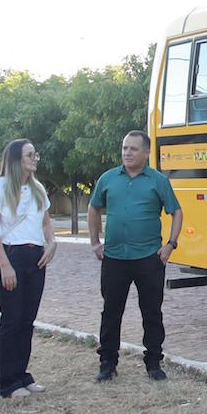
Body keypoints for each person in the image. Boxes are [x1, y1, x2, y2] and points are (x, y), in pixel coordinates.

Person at [88, 130, 182, 382]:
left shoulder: (158, 181)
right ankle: (107, 363)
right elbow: (94, 208)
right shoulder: (108, 178)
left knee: (152, 313)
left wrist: (171, 244)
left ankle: (154, 363)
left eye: (133, 149)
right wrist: (95, 242)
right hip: (114, 258)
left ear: (147, 153)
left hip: (149, 258)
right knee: (111, 312)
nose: (127, 153)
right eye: (124, 148)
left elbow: (176, 211)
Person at [0, 139, 57, 399]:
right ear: (16, 159)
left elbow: (45, 222)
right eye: (29, 155)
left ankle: (22, 375)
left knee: (27, 320)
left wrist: (51, 242)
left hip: (35, 258)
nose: (35, 158)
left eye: (35, 154)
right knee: (11, 320)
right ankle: (7, 383)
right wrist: (4, 265)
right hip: (10, 255)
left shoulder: (38, 189)